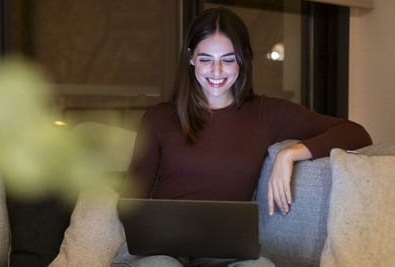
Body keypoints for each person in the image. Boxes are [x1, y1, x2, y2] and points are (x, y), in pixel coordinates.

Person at [113, 7, 372, 267]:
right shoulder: (158, 119)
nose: (216, 71)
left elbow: (356, 133)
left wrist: (290, 154)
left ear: (243, 59)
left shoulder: (267, 113)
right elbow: (129, 199)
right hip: (159, 251)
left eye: (227, 59)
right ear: (191, 58)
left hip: (222, 252)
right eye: (206, 59)